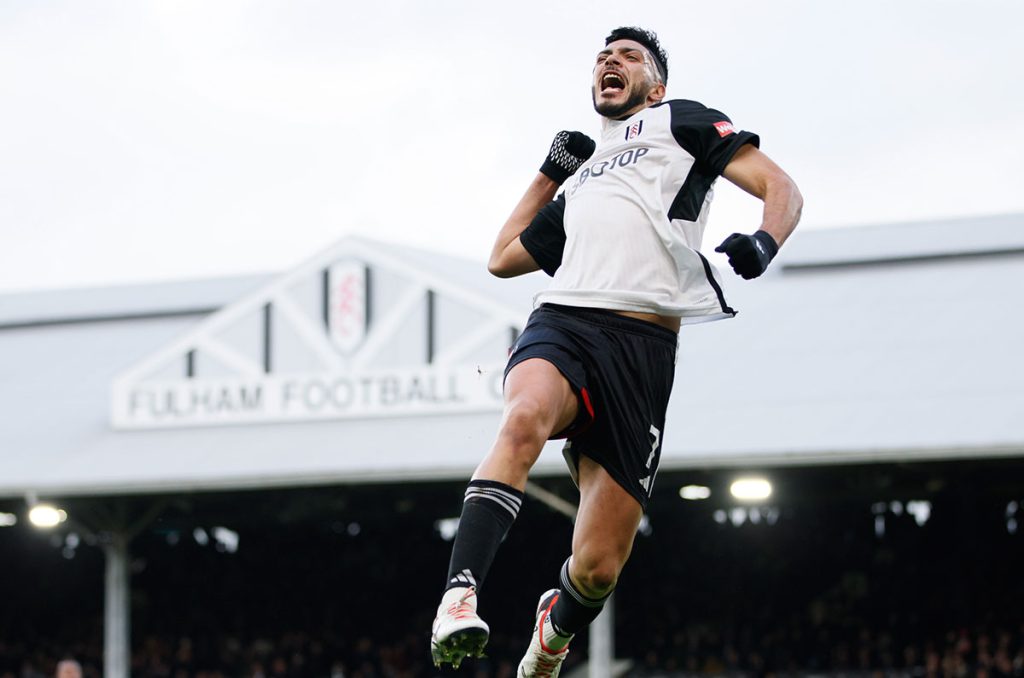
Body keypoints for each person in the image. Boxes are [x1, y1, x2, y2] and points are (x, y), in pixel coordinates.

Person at [430, 26, 802, 677]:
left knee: (599, 567)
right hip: (565, 322)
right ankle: (459, 597)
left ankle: (552, 635)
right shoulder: (582, 186)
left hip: (644, 349)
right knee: (522, 419)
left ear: (655, 85)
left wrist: (765, 241)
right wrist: (551, 173)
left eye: (628, 56)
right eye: (604, 56)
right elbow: (502, 258)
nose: (611, 60)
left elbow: (782, 188)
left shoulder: (680, 122)